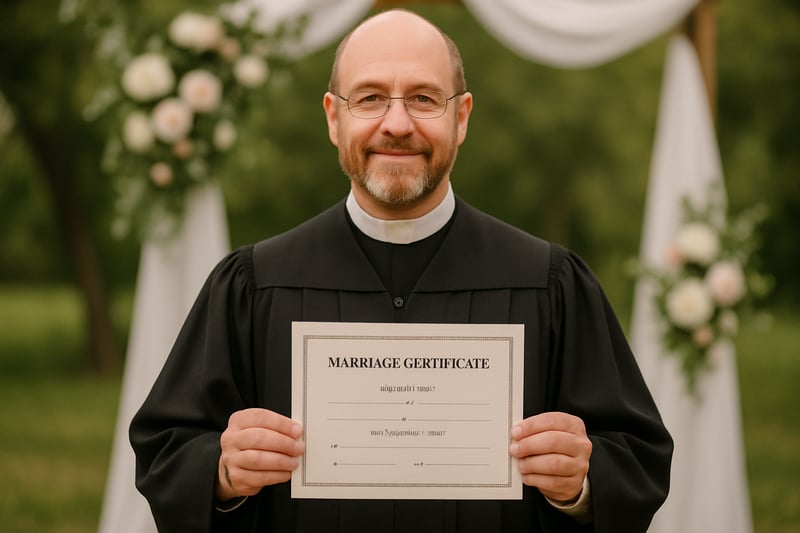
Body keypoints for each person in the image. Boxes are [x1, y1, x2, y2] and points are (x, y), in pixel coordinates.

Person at [130, 9, 672, 533]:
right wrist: (222, 472)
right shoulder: (255, 285)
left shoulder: (548, 284)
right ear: (333, 117)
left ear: (460, 118)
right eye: (369, 98)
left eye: (423, 98)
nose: (396, 124)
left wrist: (583, 481)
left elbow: (638, 460)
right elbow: (166, 452)